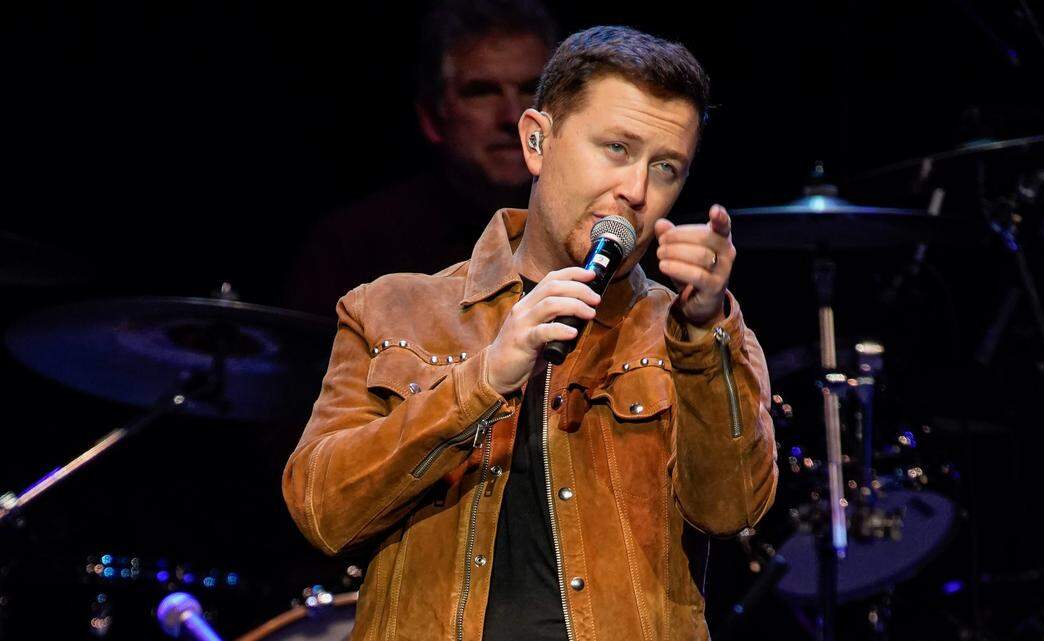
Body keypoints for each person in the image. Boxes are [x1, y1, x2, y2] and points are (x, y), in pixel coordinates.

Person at [283, 25, 778, 641]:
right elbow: (323, 512)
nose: (637, 191)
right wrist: (481, 379)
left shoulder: (695, 333)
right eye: (617, 148)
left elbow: (730, 510)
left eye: (666, 166)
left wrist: (704, 339)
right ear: (537, 142)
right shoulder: (391, 310)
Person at [287, 0, 558, 315]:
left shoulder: (594, 229)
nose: (513, 116)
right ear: (432, 117)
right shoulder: (356, 246)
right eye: (482, 92)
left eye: (531, 90)